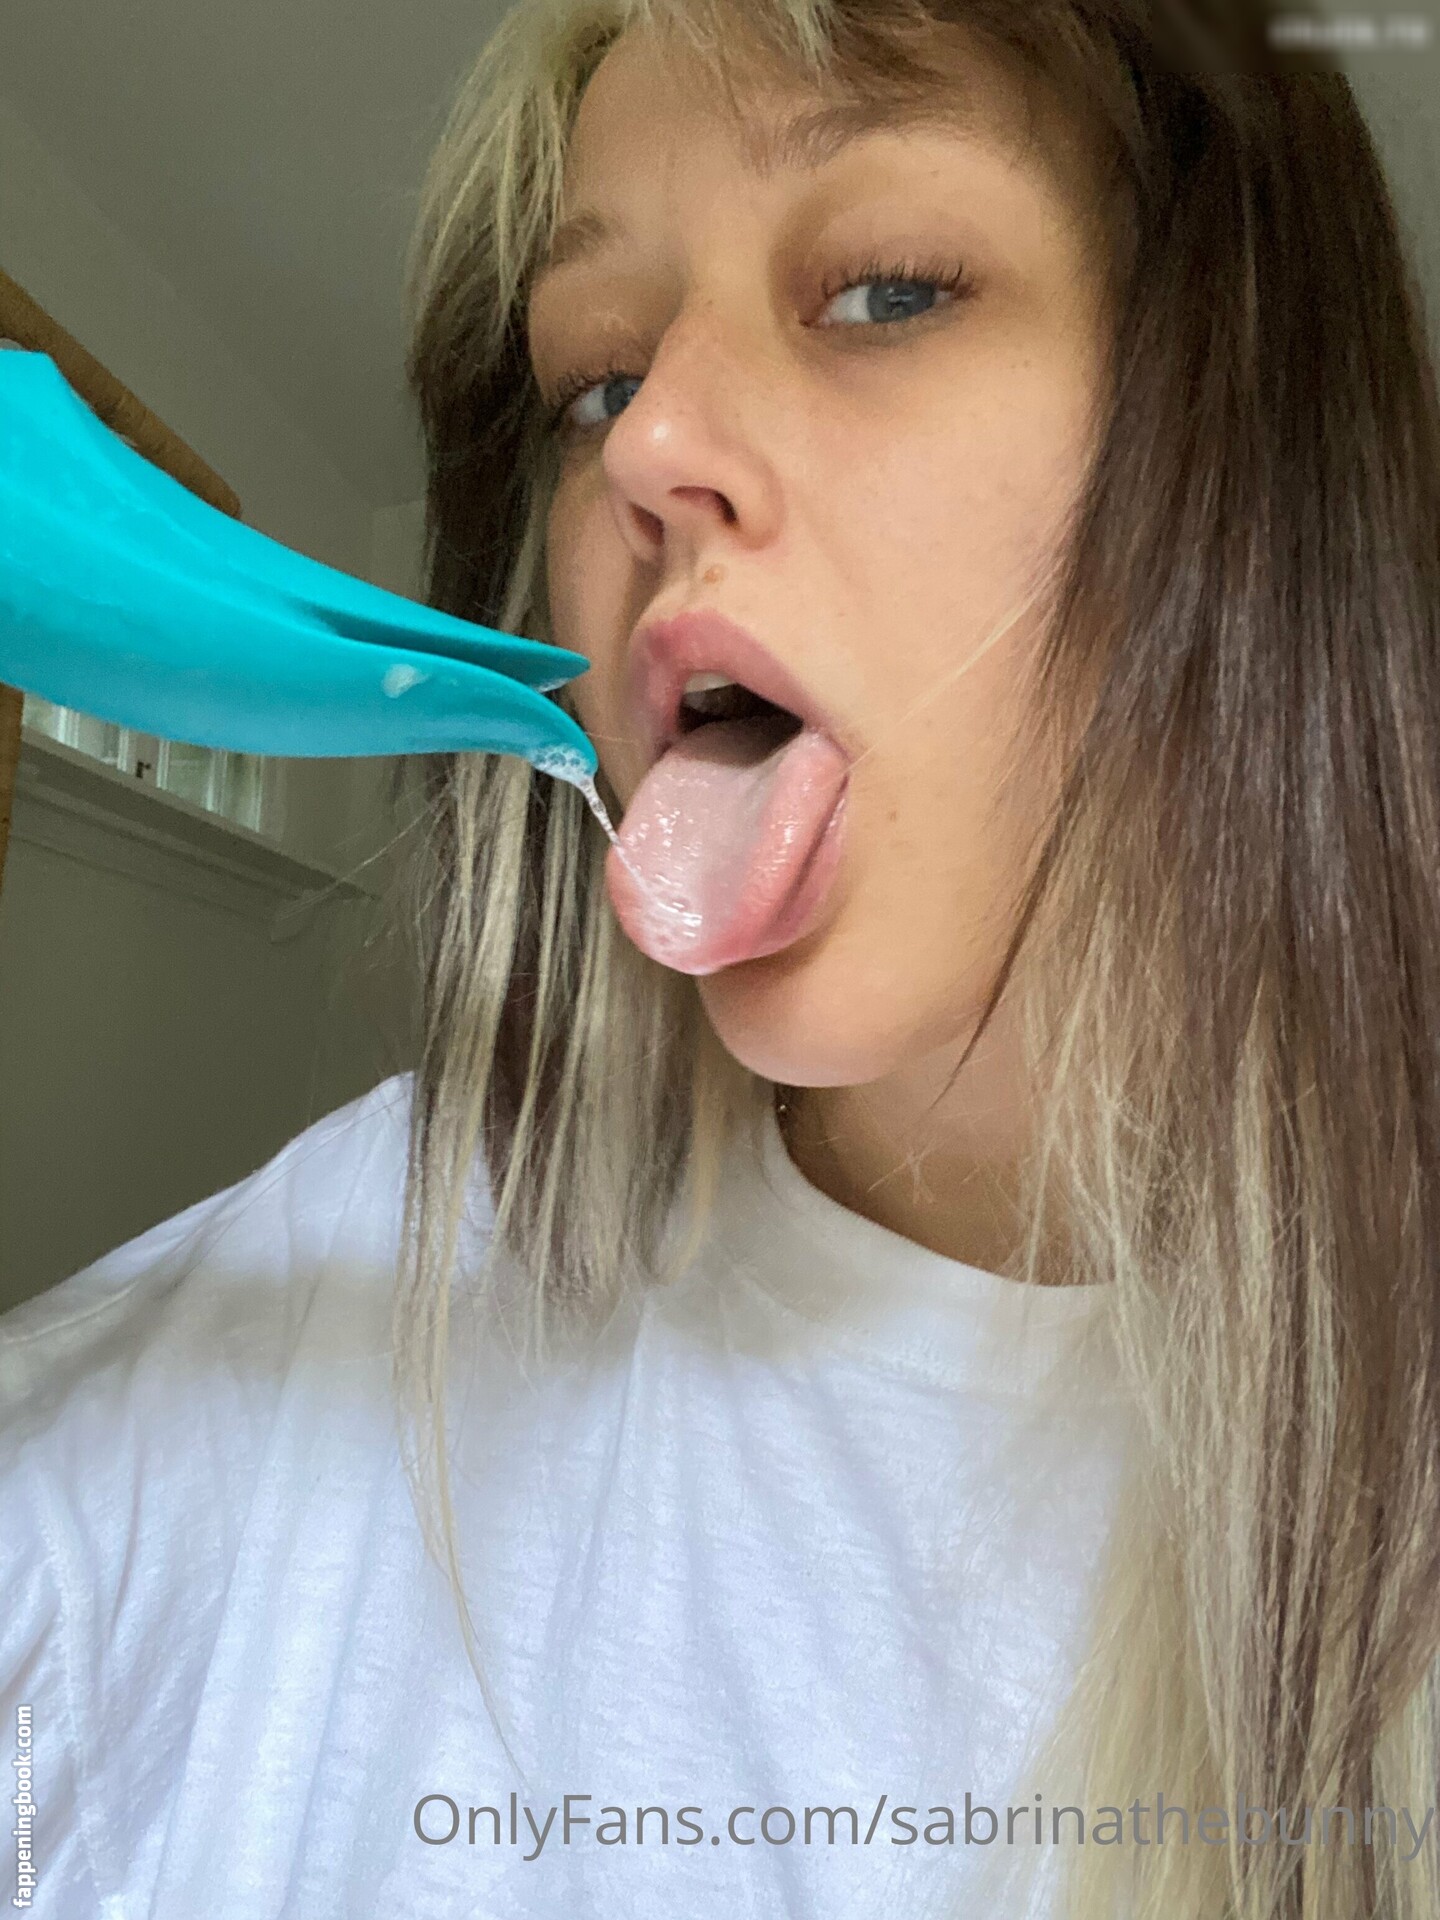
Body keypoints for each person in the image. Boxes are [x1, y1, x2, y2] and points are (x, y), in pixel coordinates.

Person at [4, 3, 1438, 1916]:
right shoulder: (398, 1241)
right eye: (594, 380)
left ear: (1262, 457)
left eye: (889, 290)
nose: (650, 444)